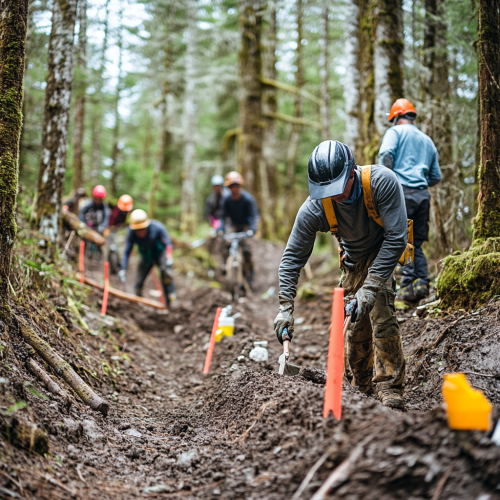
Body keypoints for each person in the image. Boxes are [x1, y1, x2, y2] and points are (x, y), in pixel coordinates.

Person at [274, 140, 408, 409]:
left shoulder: (382, 182)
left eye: (338, 189)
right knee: (355, 324)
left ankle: (389, 387)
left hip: (382, 251)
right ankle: (360, 388)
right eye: (327, 192)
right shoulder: (314, 207)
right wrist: (285, 308)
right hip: (351, 262)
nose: (334, 197)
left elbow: (396, 238)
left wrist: (369, 288)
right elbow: (292, 260)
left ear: (351, 172)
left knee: (380, 310)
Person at [378, 98, 442, 302]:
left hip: (401, 193)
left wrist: (389, 180)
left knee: (401, 240)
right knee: (418, 242)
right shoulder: (427, 140)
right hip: (422, 194)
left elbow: (387, 153)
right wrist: (419, 179)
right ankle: (422, 283)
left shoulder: (394, 133)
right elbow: (436, 176)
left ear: (396, 117)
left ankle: (406, 289)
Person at [118, 209, 176, 305]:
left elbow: (168, 244)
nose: (140, 232)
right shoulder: (131, 233)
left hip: (160, 253)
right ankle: (137, 299)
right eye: (137, 230)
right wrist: (123, 269)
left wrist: (169, 257)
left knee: (165, 273)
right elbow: (127, 251)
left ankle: (170, 297)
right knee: (139, 278)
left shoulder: (157, 227)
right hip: (146, 255)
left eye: (142, 229)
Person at [219, 171, 260, 288]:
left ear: (239, 186)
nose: (234, 189)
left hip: (245, 226)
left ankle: (250, 276)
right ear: (229, 188)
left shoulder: (248, 199)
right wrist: (221, 228)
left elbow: (254, 215)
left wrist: (252, 229)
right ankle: (224, 264)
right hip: (233, 225)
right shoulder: (226, 199)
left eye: (236, 186)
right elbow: (222, 216)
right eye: (232, 187)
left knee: (247, 250)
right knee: (225, 243)